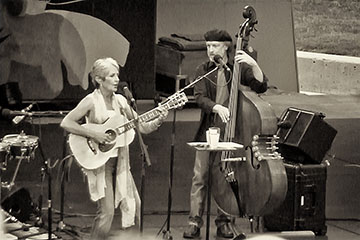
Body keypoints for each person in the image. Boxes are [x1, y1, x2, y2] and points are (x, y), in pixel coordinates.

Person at [60, 57, 168, 240]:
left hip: (120, 162)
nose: (117, 79)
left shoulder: (121, 101)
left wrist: (160, 117)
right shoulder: (91, 101)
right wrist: (95, 135)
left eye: (117, 74)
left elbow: (141, 127)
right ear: (100, 80)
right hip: (100, 163)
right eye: (112, 75)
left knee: (136, 206)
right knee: (107, 213)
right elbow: (66, 122)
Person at [183, 29, 268, 239]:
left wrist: (254, 64)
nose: (210, 50)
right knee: (199, 178)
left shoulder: (237, 70)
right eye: (208, 46)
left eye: (214, 46)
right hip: (208, 131)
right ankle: (194, 222)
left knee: (227, 176)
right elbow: (200, 97)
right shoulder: (202, 69)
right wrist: (216, 107)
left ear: (226, 47)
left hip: (233, 133)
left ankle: (224, 222)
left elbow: (261, 85)